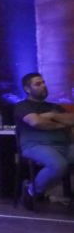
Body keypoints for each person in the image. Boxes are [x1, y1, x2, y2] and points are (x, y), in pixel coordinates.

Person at [13, 73, 74, 209]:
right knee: (58, 165)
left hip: (65, 145)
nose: (43, 86)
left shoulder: (54, 107)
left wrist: (52, 115)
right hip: (35, 146)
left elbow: (72, 119)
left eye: (43, 83)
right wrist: (62, 123)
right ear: (27, 89)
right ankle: (32, 191)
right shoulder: (22, 106)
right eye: (38, 84)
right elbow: (36, 122)